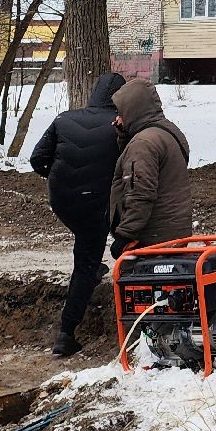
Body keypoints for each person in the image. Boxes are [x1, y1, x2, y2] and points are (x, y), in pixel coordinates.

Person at [29, 71, 127, 356]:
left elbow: (37, 160)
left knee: (87, 243)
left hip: (63, 202)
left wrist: (61, 180)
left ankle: (96, 268)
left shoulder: (64, 119)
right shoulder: (120, 126)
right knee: (86, 261)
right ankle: (66, 333)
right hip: (99, 204)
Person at [108, 80, 193, 261]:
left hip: (153, 238)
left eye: (121, 112)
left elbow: (140, 193)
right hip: (174, 231)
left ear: (133, 110)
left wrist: (125, 236)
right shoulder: (166, 132)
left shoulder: (143, 144)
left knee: (137, 286)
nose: (118, 118)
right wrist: (125, 134)